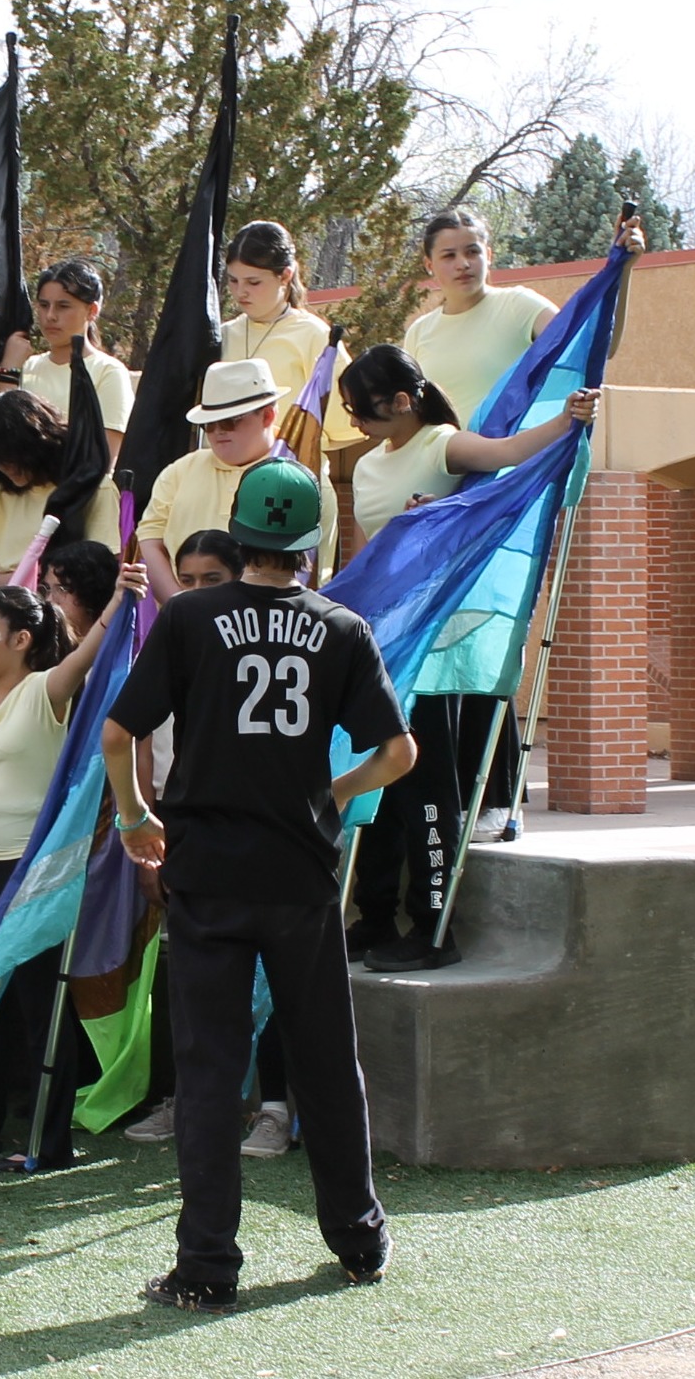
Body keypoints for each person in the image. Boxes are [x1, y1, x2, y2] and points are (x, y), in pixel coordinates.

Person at [102, 458, 417, 1315]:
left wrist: (135, 818)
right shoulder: (341, 627)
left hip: (204, 874)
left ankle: (206, 1265)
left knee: (208, 1072)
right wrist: (332, 794)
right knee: (324, 1063)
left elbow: (119, 731)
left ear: (238, 534)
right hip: (299, 876)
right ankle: (359, 1240)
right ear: (308, 544)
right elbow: (397, 753)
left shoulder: (190, 618)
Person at [337, 343, 599, 972]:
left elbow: (510, 456)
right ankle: (373, 916)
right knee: (378, 783)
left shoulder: (443, 446)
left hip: (438, 645)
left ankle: (434, 928)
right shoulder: (370, 465)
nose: (357, 424)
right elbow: (373, 553)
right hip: (386, 642)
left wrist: (571, 418)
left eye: (363, 411)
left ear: (403, 402)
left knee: (424, 782)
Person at [396, 210, 646, 833]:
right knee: (444, 642)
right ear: (429, 265)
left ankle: (499, 796)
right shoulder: (420, 334)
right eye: (448, 254)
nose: (462, 263)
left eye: (472, 250)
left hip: (507, 491)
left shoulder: (517, 307)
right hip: (446, 499)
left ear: (489, 254)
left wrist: (625, 271)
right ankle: (445, 796)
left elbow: (591, 339)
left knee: (490, 634)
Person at [0, 561, 149, 1170]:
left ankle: (49, 1144)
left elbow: (94, 651)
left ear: (21, 640)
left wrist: (121, 596)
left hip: (31, 876)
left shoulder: (43, 690)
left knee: (38, 1008)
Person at [119, 531, 247, 1149]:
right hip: (174, 824)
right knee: (184, 973)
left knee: (260, 973)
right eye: (186, 581)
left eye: (211, 581)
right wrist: (141, 825)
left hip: (248, 826)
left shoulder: (257, 649)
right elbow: (136, 739)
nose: (195, 593)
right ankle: (182, 1102)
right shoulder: (167, 644)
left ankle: (269, 1104)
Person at [135, 359, 339, 598]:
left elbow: (314, 565)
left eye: (231, 421)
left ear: (268, 416)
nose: (218, 431)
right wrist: (182, 608)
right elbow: (149, 538)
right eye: (209, 424)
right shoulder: (180, 470)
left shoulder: (302, 480)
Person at [222, 222, 360, 453]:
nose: (240, 292)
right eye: (233, 280)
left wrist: (295, 444)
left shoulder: (314, 336)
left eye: (253, 282)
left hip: (288, 475)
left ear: (285, 275)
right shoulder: (224, 335)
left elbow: (348, 425)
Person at [0, 389, 120, 591]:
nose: (4, 468)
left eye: (10, 458)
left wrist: (34, 580)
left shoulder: (96, 489)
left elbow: (104, 575)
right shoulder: (4, 494)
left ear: (38, 445)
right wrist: (37, 579)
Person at [0, 259, 136, 461]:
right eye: (44, 305)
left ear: (92, 311)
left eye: (63, 306)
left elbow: (103, 457)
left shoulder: (108, 371)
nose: (50, 316)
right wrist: (9, 372)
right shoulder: (27, 367)